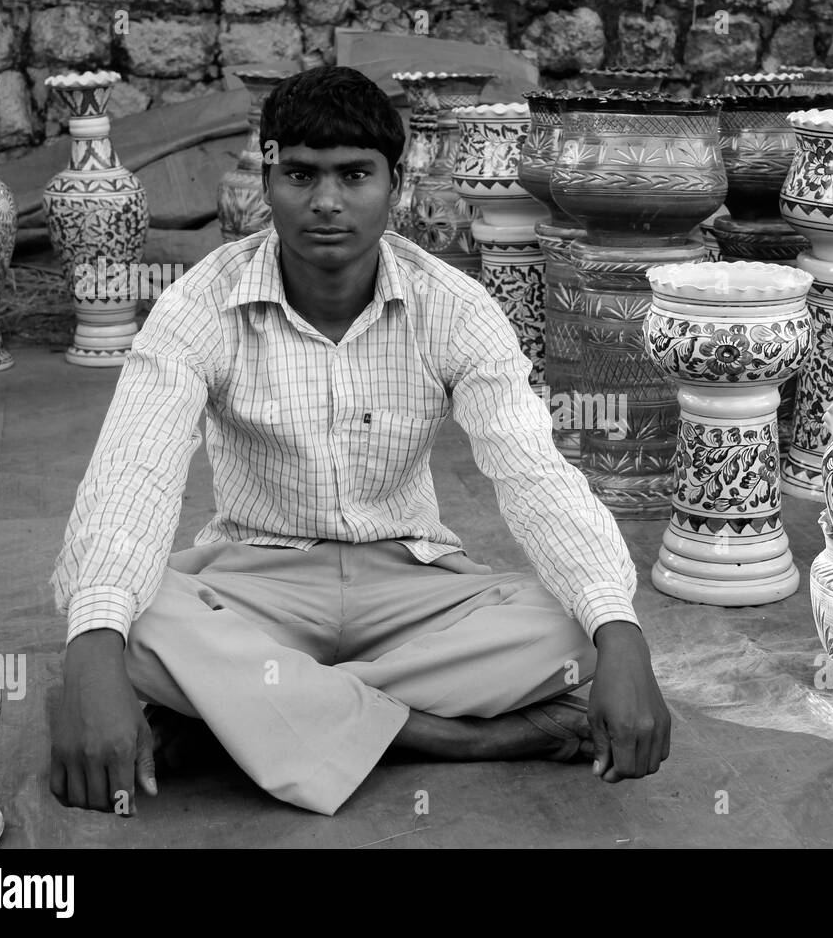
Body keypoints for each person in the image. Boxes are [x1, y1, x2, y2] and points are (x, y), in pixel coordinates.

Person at [48, 66, 672, 816]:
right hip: (255, 579)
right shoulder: (200, 303)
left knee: (577, 631)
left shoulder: (454, 306)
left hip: (412, 583)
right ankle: (440, 734)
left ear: (395, 185)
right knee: (132, 620)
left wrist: (620, 634)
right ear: (268, 180)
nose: (327, 203)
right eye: (300, 175)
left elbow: (533, 472)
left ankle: (241, 714)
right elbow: (133, 475)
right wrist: (93, 650)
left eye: (354, 174)